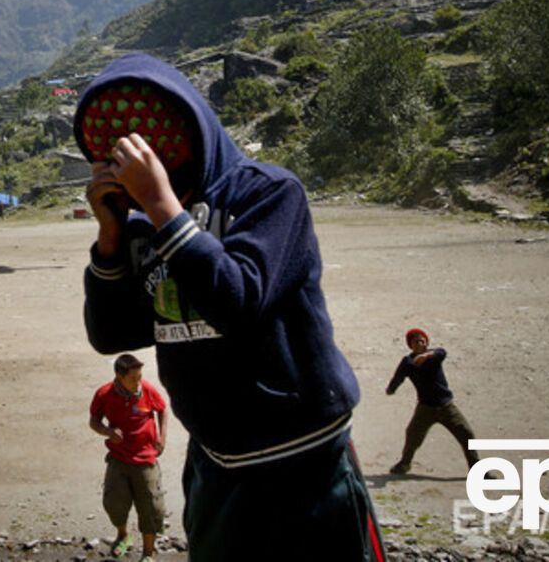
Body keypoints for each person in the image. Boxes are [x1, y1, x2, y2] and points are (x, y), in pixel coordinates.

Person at [77, 54, 384, 561]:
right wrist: (110, 238)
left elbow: (238, 299)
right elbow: (111, 334)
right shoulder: (146, 230)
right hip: (217, 462)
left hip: (304, 460)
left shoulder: (268, 194)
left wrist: (160, 206)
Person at [89, 353, 168, 561]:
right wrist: (108, 432)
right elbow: (94, 421)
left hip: (145, 460)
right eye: (133, 378)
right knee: (114, 502)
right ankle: (124, 535)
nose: (137, 382)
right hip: (119, 458)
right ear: (118, 376)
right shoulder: (104, 394)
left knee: (151, 507)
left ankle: (148, 553)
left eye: (140, 376)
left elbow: (162, 409)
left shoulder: (147, 390)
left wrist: (162, 437)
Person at [386, 328, 480, 476]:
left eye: (422, 340)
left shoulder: (434, 356)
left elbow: (442, 352)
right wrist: (391, 389)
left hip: (447, 407)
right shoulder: (408, 362)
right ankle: (404, 464)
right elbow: (398, 376)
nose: (420, 343)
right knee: (412, 436)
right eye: (415, 341)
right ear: (410, 345)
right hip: (425, 409)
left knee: (466, 434)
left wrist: (428, 355)